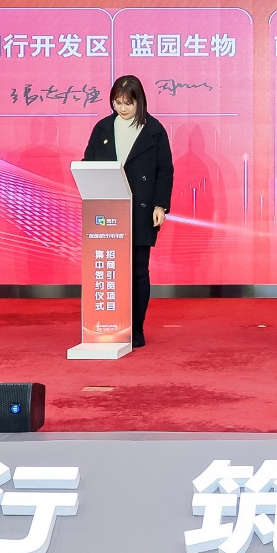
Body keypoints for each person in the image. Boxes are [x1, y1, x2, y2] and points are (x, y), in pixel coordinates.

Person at [83, 75, 174, 349]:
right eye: (117, 102)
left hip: (141, 209)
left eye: (127, 103)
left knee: (138, 270)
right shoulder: (102, 128)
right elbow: (88, 162)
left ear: (139, 101)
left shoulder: (154, 130)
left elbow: (164, 171)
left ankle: (136, 327)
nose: (122, 108)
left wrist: (160, 205)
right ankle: (109, 323)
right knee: (110, 268)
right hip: (107, 209)